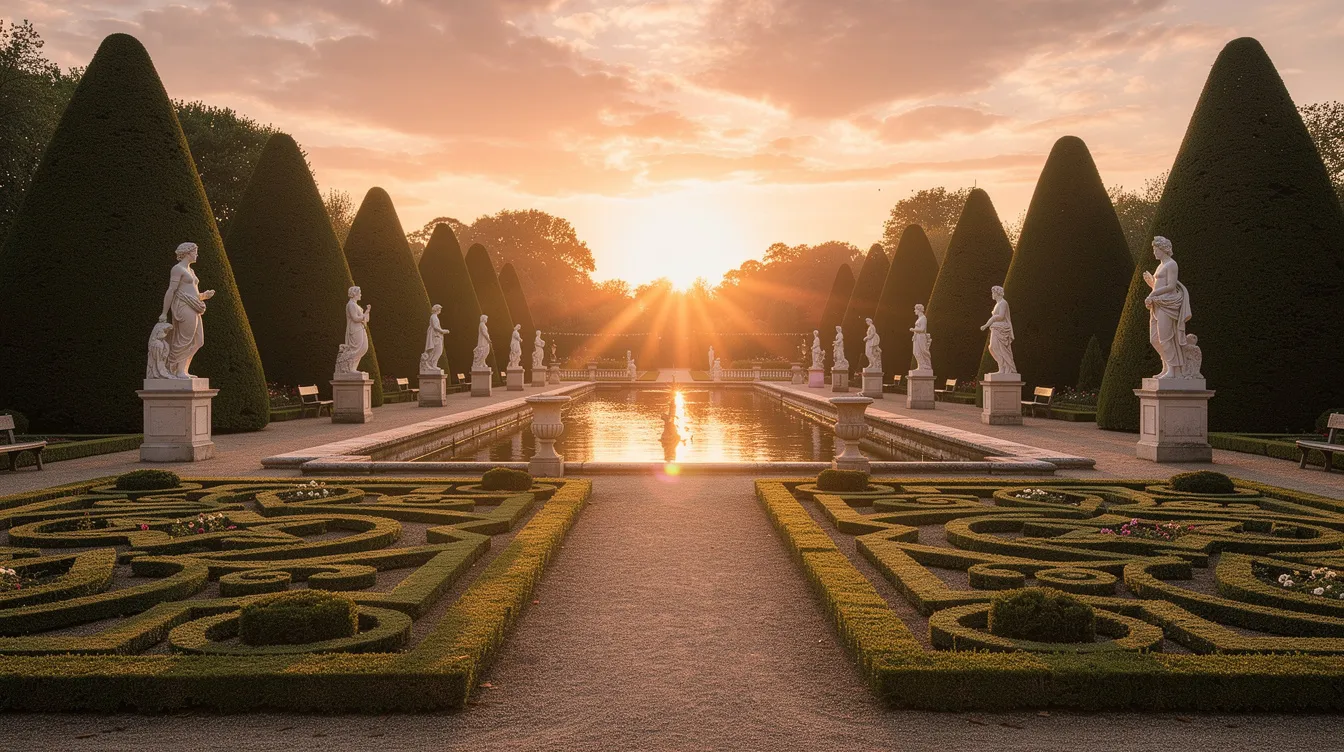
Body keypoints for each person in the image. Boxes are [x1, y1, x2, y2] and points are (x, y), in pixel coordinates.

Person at [158, 242, 214, 378]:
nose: (197, 254)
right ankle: (177, 370)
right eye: (195, 252)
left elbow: (192, 293)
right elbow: (171, 290)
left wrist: (203, 296)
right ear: (187, 253)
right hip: (183, 306)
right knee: (185, 339)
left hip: (194, 306)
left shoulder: (191, 270)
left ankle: (182, 369)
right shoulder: (177, 269)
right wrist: (164, 313)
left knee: (198, 341)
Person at [1142, 236, 1193, 379]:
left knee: (1165, 338)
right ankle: (1165, 367)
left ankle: (1173, 370)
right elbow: (1161, 286)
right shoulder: (1160, 265)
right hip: (1158, 304)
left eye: (1155, 249)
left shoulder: (1172, 264)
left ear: (1163, 249)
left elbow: (1171, 286)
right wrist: (1151, 283)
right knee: (1154, 339)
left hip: (1167, 304)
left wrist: (1153, 294)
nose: (1154, 252)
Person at [979, 285, 1016, 375]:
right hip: (996, 327)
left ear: (997, 293)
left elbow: (1001, 316)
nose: (992, 294)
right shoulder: (998, 304)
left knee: (999, 349)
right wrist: (989, 323)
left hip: (1002, 328)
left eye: (993, 292)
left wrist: (989, 322)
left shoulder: (1003, 303)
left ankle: (1005, 369)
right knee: (992, 348)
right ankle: (1001, 368)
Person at [335, 286, 371, 375]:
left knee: (364, 348)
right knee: (356, 348)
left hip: (360, 328)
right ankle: (350, 368)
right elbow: (355, 318)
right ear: (355, 294)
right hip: (355, 329)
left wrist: (367, 311)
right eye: (360, 293)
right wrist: (365, 314)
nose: (361, 295)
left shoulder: (356, 305)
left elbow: (366, 319)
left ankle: (353, 368)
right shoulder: (351, 305)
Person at [421, 304, 448, 374]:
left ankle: (433, 365)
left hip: (436, 335)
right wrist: (443, 331)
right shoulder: (434, 317)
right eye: (439, 309)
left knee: (437, 350)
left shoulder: (434, 316)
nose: (440, 310)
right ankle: (432, 365)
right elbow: (435, 327)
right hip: (435, 336)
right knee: (437, 350)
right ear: (437, 309)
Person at [910, 304, 932, 373]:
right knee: (916, 352)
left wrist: (913, 330)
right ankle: (921, 366)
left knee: (922, 350)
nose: (914, 311)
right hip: (917, 337)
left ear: (919, 310)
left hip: (921, 337)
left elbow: (922, 329)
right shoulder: (919, 318)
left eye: (915, 309)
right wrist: (914, 335)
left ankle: (926, 366)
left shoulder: (923, 318)